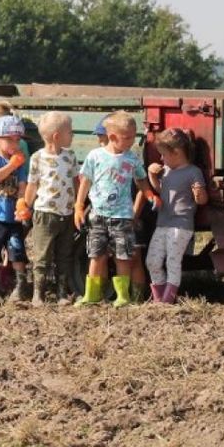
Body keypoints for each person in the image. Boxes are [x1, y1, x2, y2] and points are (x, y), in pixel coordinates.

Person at [74, 112, 154, 307]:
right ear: (112, 137)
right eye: (127, 138)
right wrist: (79, 205)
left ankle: (123, 296)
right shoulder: (95, 156)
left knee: (123, 256)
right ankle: (91, 295)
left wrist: (150, 194)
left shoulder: (132, 158)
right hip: (98, 215)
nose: (131, 141)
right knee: (96, 255)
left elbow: (141, 179)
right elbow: (85, 181)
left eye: (134, 136)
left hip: (123, 216)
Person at [145, 128, 208, 304]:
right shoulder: (166, 170)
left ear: (177, 153)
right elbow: (161, 191)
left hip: (180, 224)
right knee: (152, 261)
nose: (161, 159)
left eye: (164, 155)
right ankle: (160, 299)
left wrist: (198, 194)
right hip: (163, 222)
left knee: (173, 262)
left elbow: (202, 200)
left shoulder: (192, 172)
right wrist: (152, 175)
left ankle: (166, 301)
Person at [23, 111, 78, 306]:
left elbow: (75, 181)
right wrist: (26, 205)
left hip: (66, 213)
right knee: (42, 255)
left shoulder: (70, 157)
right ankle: (38, 293)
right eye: (69, 132)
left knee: (64, 254)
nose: (72, 135)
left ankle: (61, 292)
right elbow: (32, 185)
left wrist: (78, 202)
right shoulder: (38, 158)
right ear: (57, 136)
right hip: (45, 214)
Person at [0, 115, 30, 305]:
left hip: (12, 218)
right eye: (9, 139)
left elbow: (23, 185)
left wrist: (22, 204)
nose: (14, 144)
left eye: (17, 140)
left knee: (17, 252)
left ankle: (20, 288)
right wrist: (11, 165)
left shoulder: (19, 162)